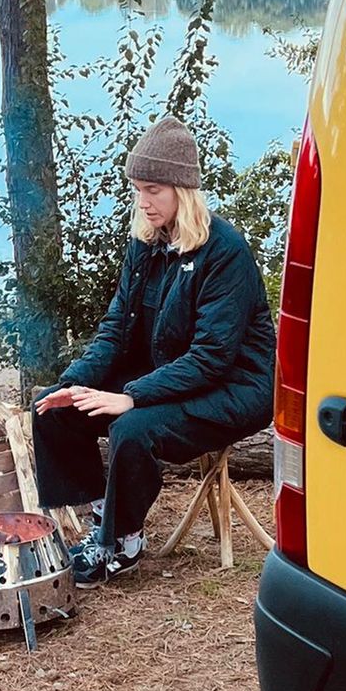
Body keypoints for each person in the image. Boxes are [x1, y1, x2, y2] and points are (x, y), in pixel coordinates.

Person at [32, 116, 275, 586]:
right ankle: (105, 518)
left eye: (154, 190)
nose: (143, 202)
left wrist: (133, 396)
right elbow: (116, 331)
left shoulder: (224, 252)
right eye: (138, 189)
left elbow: (211, 357)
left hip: (234, 386)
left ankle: (121, 543)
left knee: (132, 426)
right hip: (171, 372)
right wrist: (71, 383)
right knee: (52, 408)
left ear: (183, 191)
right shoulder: (146, 244)